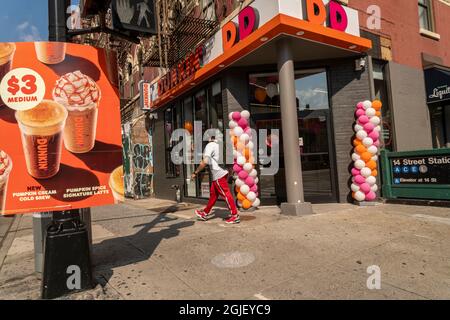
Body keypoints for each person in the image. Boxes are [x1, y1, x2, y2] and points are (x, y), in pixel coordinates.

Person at [191, 136, 240, 224]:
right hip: (223, 172)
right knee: (214, 195)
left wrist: (195, 172)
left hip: (218, 174)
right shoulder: (220, 145)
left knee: (226, 194)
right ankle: (205, 213)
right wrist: (230, 172)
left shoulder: (210, 145)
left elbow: (205, 161)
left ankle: (235, 215)